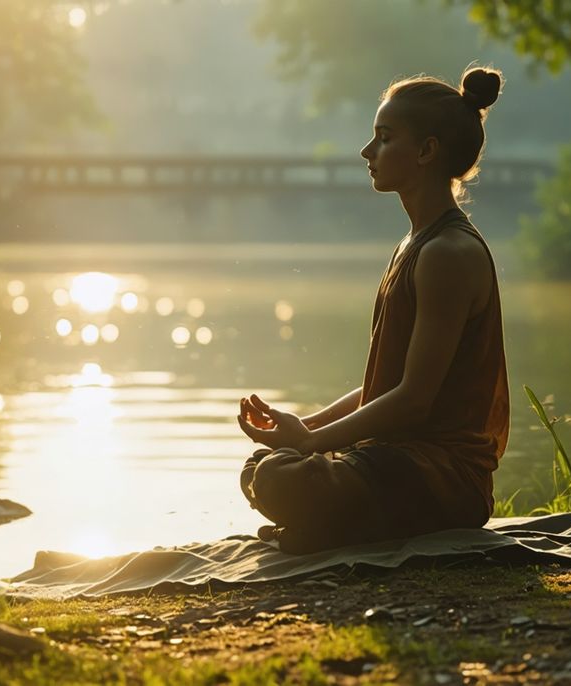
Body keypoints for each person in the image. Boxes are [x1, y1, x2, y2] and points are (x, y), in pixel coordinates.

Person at [236, 66, 510, 554]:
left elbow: (413, 400)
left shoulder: (449, 253)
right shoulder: (416, 243)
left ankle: (337, 526)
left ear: (426, 151)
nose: (367, 152)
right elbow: (391, 383)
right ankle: (339, 524)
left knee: (281, 476)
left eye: (384, 138)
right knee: (262, 466)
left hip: (444, 480)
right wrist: (306, 428)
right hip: (395, 461)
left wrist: (309, 446)